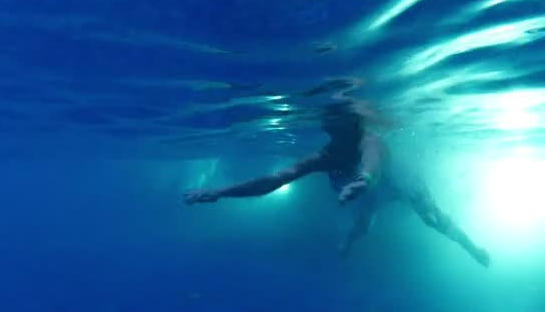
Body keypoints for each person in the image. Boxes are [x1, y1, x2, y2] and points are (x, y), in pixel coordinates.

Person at [183, 79, 490, 267]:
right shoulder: (325, 156)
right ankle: (349, 244)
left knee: (433, 219)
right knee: (362, 224)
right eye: (329, 122)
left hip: (400, 184)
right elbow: (274, 181)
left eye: (338, 121)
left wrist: (363, 180)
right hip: (366, 189)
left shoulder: (370, 141)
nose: (329, 125)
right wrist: (220, 192)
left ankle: (471, 247)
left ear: (352, 124)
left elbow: (373, 162)